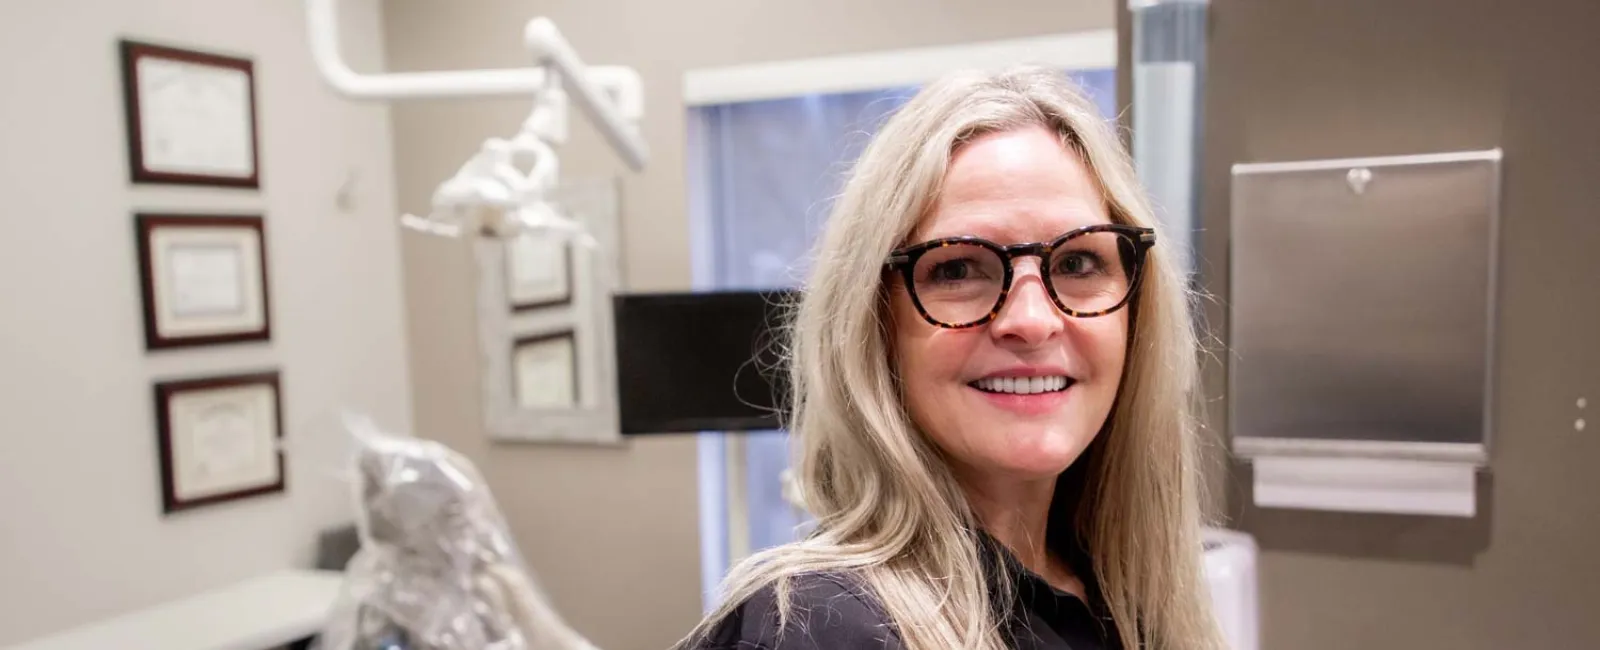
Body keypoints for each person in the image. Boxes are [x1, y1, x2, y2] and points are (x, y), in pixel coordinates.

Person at [677, 65, 1224, 650]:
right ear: (873, 323)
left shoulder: (1113, 602)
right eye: (958, 269)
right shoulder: (819, 629)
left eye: (1077, 263)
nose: (1033, 320)